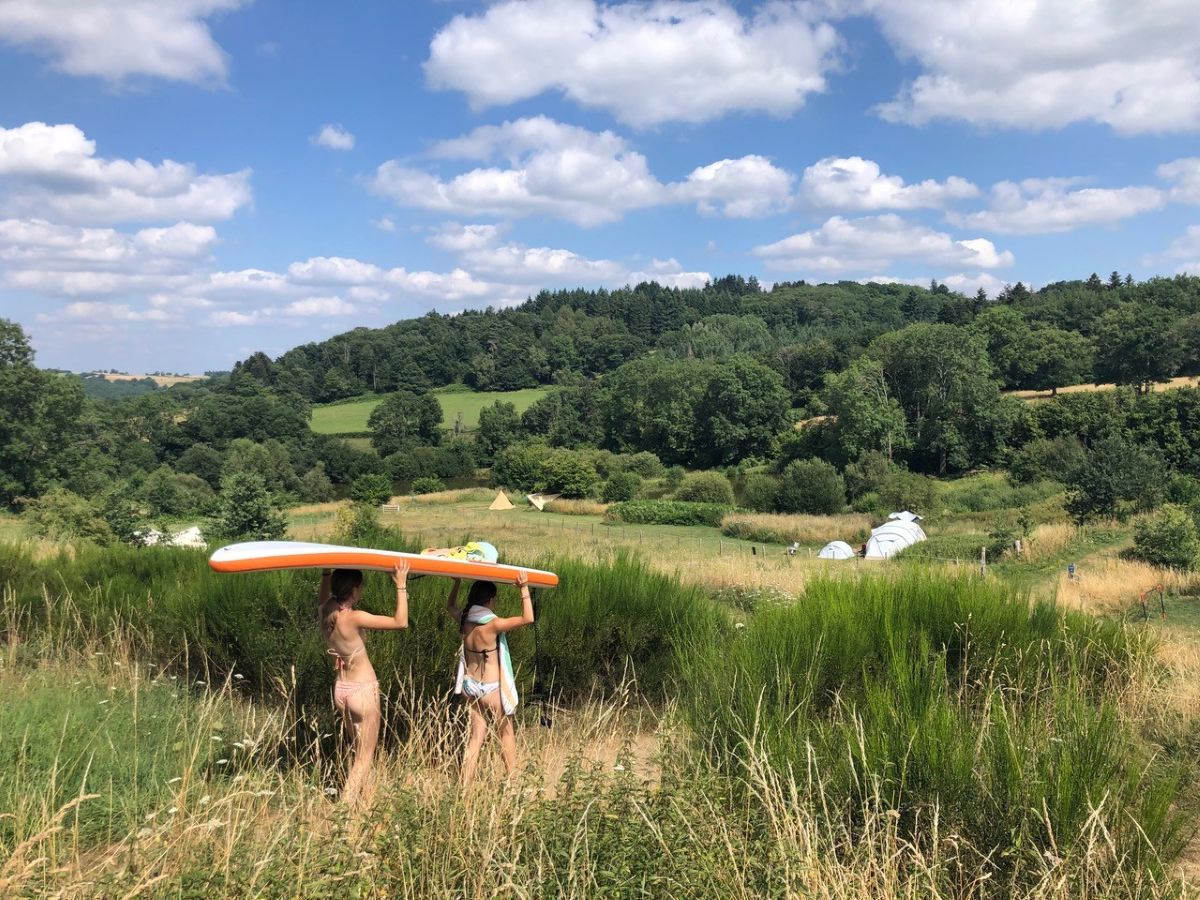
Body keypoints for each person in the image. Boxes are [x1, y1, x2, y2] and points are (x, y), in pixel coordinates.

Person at [317, 563, 409, 806]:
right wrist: (401, 585)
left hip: (342, 690)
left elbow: (322, 598)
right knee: (364, 758)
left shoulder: (327, 612)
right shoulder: (354, 617)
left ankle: (366, 804)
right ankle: (344, 813)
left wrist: (325, 573)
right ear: (355, 590)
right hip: (363, 691)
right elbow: (400, 622)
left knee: (358, 752)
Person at [445, 572, 533, 786]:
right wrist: (523, 588)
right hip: (492, 689)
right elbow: (528, 618)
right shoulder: (493, 624)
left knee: (476, 737)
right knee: (506, 734)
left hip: (470, 686)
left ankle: (464, 786)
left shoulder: (465, 619)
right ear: (490, 599)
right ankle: (513, 783)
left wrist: (457, 583)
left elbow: (450, 606)